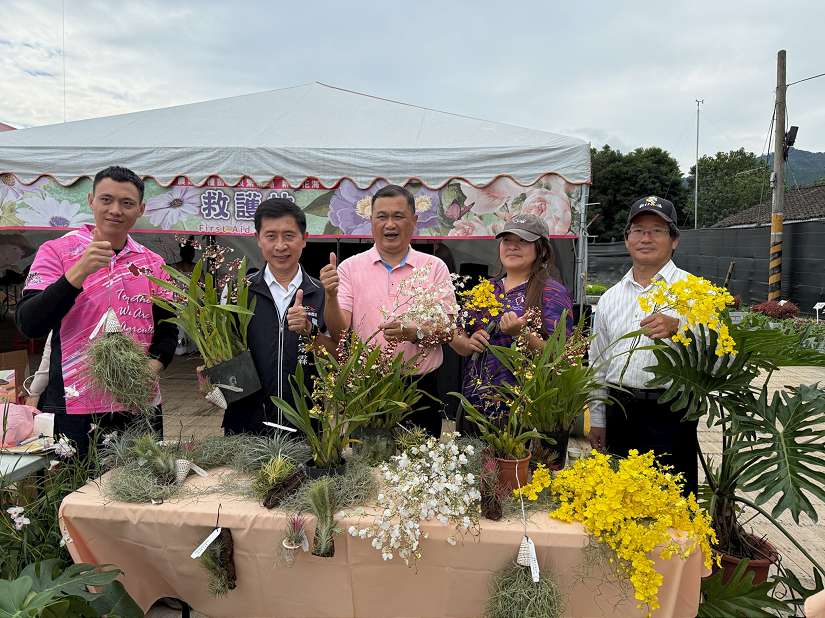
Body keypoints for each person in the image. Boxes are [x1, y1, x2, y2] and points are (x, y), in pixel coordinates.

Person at [16, 166, 177, 457]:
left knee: (144, 496)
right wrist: (77, 273)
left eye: (127, 203)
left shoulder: (152, 263)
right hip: (74, 405)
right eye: (106, 199)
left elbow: (168, 327)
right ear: (90, 201)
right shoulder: (57, 251)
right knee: (74, 495)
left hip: (138, 404)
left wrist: (155, 366)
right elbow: (30, 323)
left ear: (140, 209)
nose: (115, 210)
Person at [322, 184, 456, 437]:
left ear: (414, 221)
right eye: (381, 217)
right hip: (367, 388)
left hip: (420, 388)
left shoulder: (434, 266)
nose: (389, 224)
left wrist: (414, 332)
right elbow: (340, 333)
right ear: (371, 221)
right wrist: (330, 296)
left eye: (398, 216)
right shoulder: (350, 268)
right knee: (368, 469)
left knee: (419, 468)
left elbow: (448, 331)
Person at [587, 196, 699, 496]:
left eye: (656, 230)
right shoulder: (610, 297)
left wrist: (681, 328)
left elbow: (717, 359)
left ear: (674, 240)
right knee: (618, 502)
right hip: (619, 409)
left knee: (672, 506)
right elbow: (597, 361)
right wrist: (597, 418)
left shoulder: (694, 292)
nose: (645, 238)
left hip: (671, 413)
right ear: (626, 240)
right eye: (637, 230)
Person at [222, 198, 332, 435]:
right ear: (258, 239)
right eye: (271, 236)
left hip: (307, 428)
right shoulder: (237, 292)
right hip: (246, 427)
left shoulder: (322, 294)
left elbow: (339, 354)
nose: (280, 246)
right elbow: (223, 351)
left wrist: (310, 331)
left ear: (305, 239)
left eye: (289, 236)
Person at [452, 214, 573, 417]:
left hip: (526, 411)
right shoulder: (486, 289)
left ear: (541, 249)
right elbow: (456, 331)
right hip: (475, 405)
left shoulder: (552, 292)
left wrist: (522, 334)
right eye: (507, 240)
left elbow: (560, 356)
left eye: (523, 241)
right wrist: (466, 343)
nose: (512, 246)